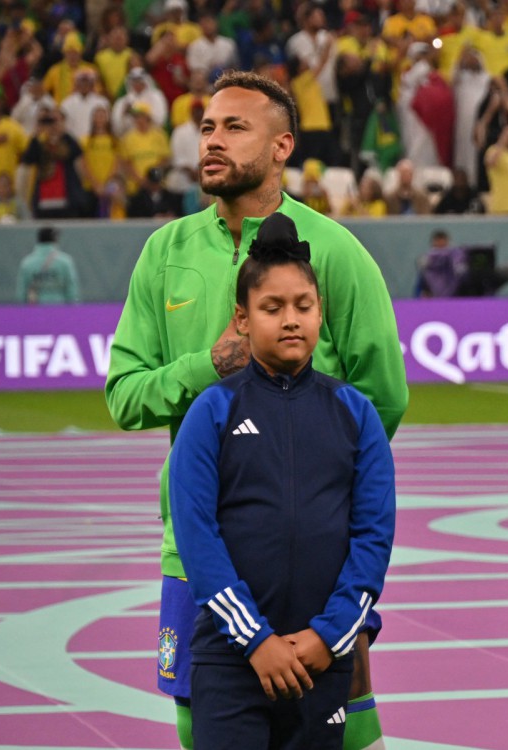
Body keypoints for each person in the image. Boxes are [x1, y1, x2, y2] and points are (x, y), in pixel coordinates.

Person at [105, 70, 407, 750]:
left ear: (282, 148)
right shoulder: (166, 252)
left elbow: (382, 396)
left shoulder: (336, 253)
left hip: (317, 556)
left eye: (234, 127)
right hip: (199, 549)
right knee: (203, 722)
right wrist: (205, 368)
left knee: (343, 722)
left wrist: (321, 483)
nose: (212, 140)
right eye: (208, 127)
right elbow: (124, 396)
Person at [169, 213, 395, 750]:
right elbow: (197, 539)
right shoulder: (213, 411)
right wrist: (254, 640)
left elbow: (373, 538)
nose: (290, 320)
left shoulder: (354, 412)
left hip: (322, 657)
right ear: (242, 320)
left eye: (303, 306)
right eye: (272, 308)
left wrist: (329, 634)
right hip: (231, 659)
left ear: (322, 313)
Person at [17, 226, 80, 303]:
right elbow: (71, 291)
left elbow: (21, 293)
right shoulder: (65, 262)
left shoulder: (27, 263)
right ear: (55, 239)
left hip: (35, 311)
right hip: (60, 310)